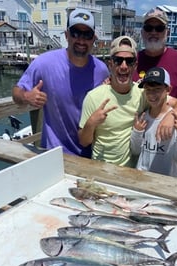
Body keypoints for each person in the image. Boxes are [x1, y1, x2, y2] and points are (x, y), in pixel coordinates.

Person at [78, 36, 177, 168]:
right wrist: (91, 123)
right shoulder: (93, 97)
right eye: (118, 60)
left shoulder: (144, 93)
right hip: (101, 168)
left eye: (129, 61)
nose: (124, 66)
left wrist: (170, 117)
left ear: (135, 66)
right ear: (110, 64)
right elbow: (83, 141)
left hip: (133, 172)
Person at [12, 8, 109, 158]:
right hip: (54, 152)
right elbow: (16, 92)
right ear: (66, 35)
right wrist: (27, 97)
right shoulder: (44, 63)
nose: (81, 40)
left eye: (87, 34)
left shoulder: (101, 69)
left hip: (91, 154)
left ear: (94, 38)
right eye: (76, 33)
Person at [133, 8, 177, 120]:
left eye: (159, 28)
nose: (153, 32)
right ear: (142, 32)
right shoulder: (132, 60)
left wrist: (172, 120)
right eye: (148, 28)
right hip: (136, 131)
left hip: (167, 132)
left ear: (167, 32)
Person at [130, 67, 177, 177]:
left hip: (166, 182)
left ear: (168, 89)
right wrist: (137, 132)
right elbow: (136, 151)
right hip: (141, 178)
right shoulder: (143, 117)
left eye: (157, 89)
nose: (151, 94)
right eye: (148, 90)